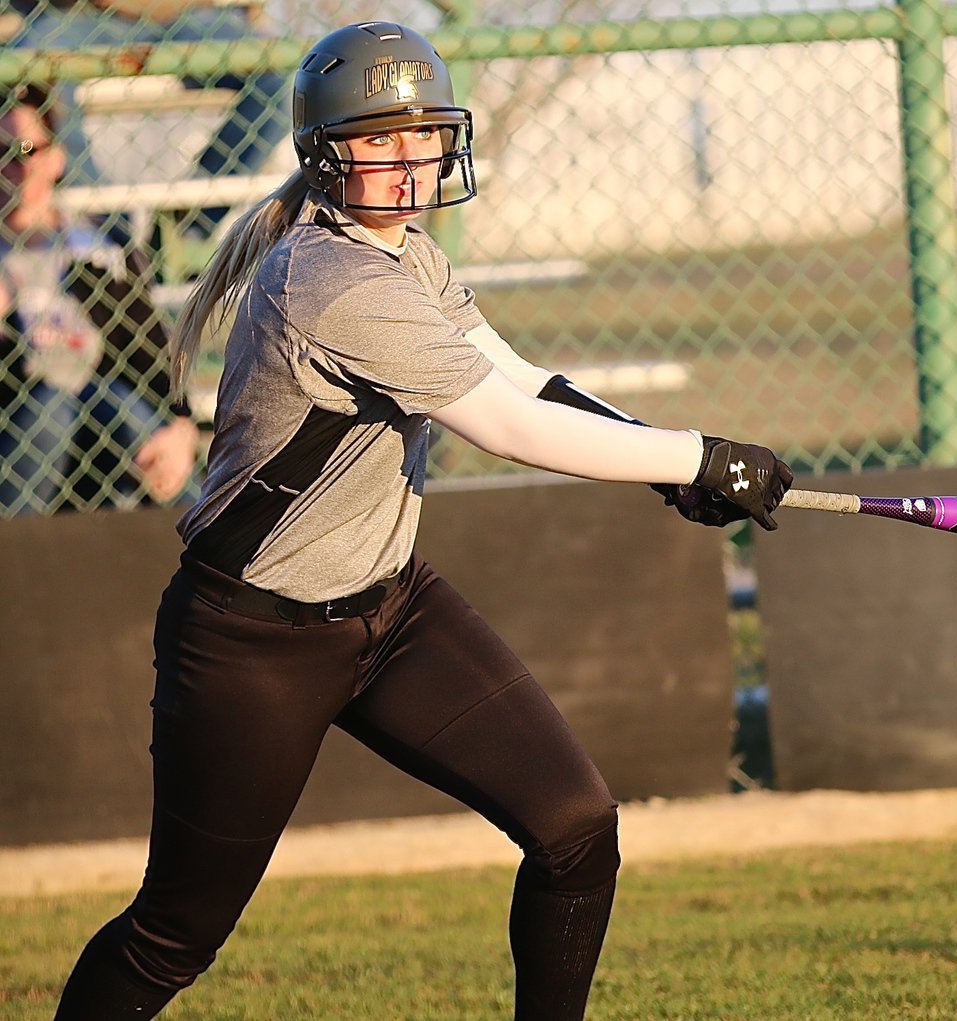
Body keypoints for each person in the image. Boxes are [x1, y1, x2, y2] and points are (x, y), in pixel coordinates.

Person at [49, 21, 793, 1021]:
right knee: (174, 934)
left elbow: (525, 380)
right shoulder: (332, 281)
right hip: (252, 639)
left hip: (391, 608)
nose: (407, 164)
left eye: (425, 136)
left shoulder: (410, 259)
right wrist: (699, 454)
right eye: (376, 141)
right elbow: (500, 425)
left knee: (576, 827)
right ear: (324, 152)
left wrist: (662, 463)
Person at [0, 83, 198, 514]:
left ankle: (219, 554)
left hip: (106, 428)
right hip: (20, 439)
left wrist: (181, 429)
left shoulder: (98, 248)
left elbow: (153, 353)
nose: (11, 167)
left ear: (56, 158)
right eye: (0, 152)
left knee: (121, 406)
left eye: (26, 149)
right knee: (53, 408)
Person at [8, 0, 291, 237]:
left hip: (185, 16)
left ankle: (193, 224)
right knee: (33, 61)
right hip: (80, 16)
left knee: (281, 78)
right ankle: (111, 231)